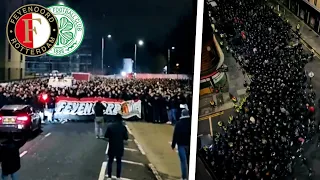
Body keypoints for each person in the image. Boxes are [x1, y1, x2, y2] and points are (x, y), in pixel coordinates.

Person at [105, 113, 128, 179]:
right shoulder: (123, 127)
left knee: (110, 161)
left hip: (112, 146)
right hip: (120, 146)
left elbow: (106, 136)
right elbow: (126, 138)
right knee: (119, 162)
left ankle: (109, 176)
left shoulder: (110, 126)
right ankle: (118, 177)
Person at [171, 109, 191, 180]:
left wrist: (173, 144)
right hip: (189, 144)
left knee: (183, 161)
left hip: (181, 144)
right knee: (189, 161)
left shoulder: (179, 123)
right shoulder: (190, 122)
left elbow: (175, 134)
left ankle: (184, 177)